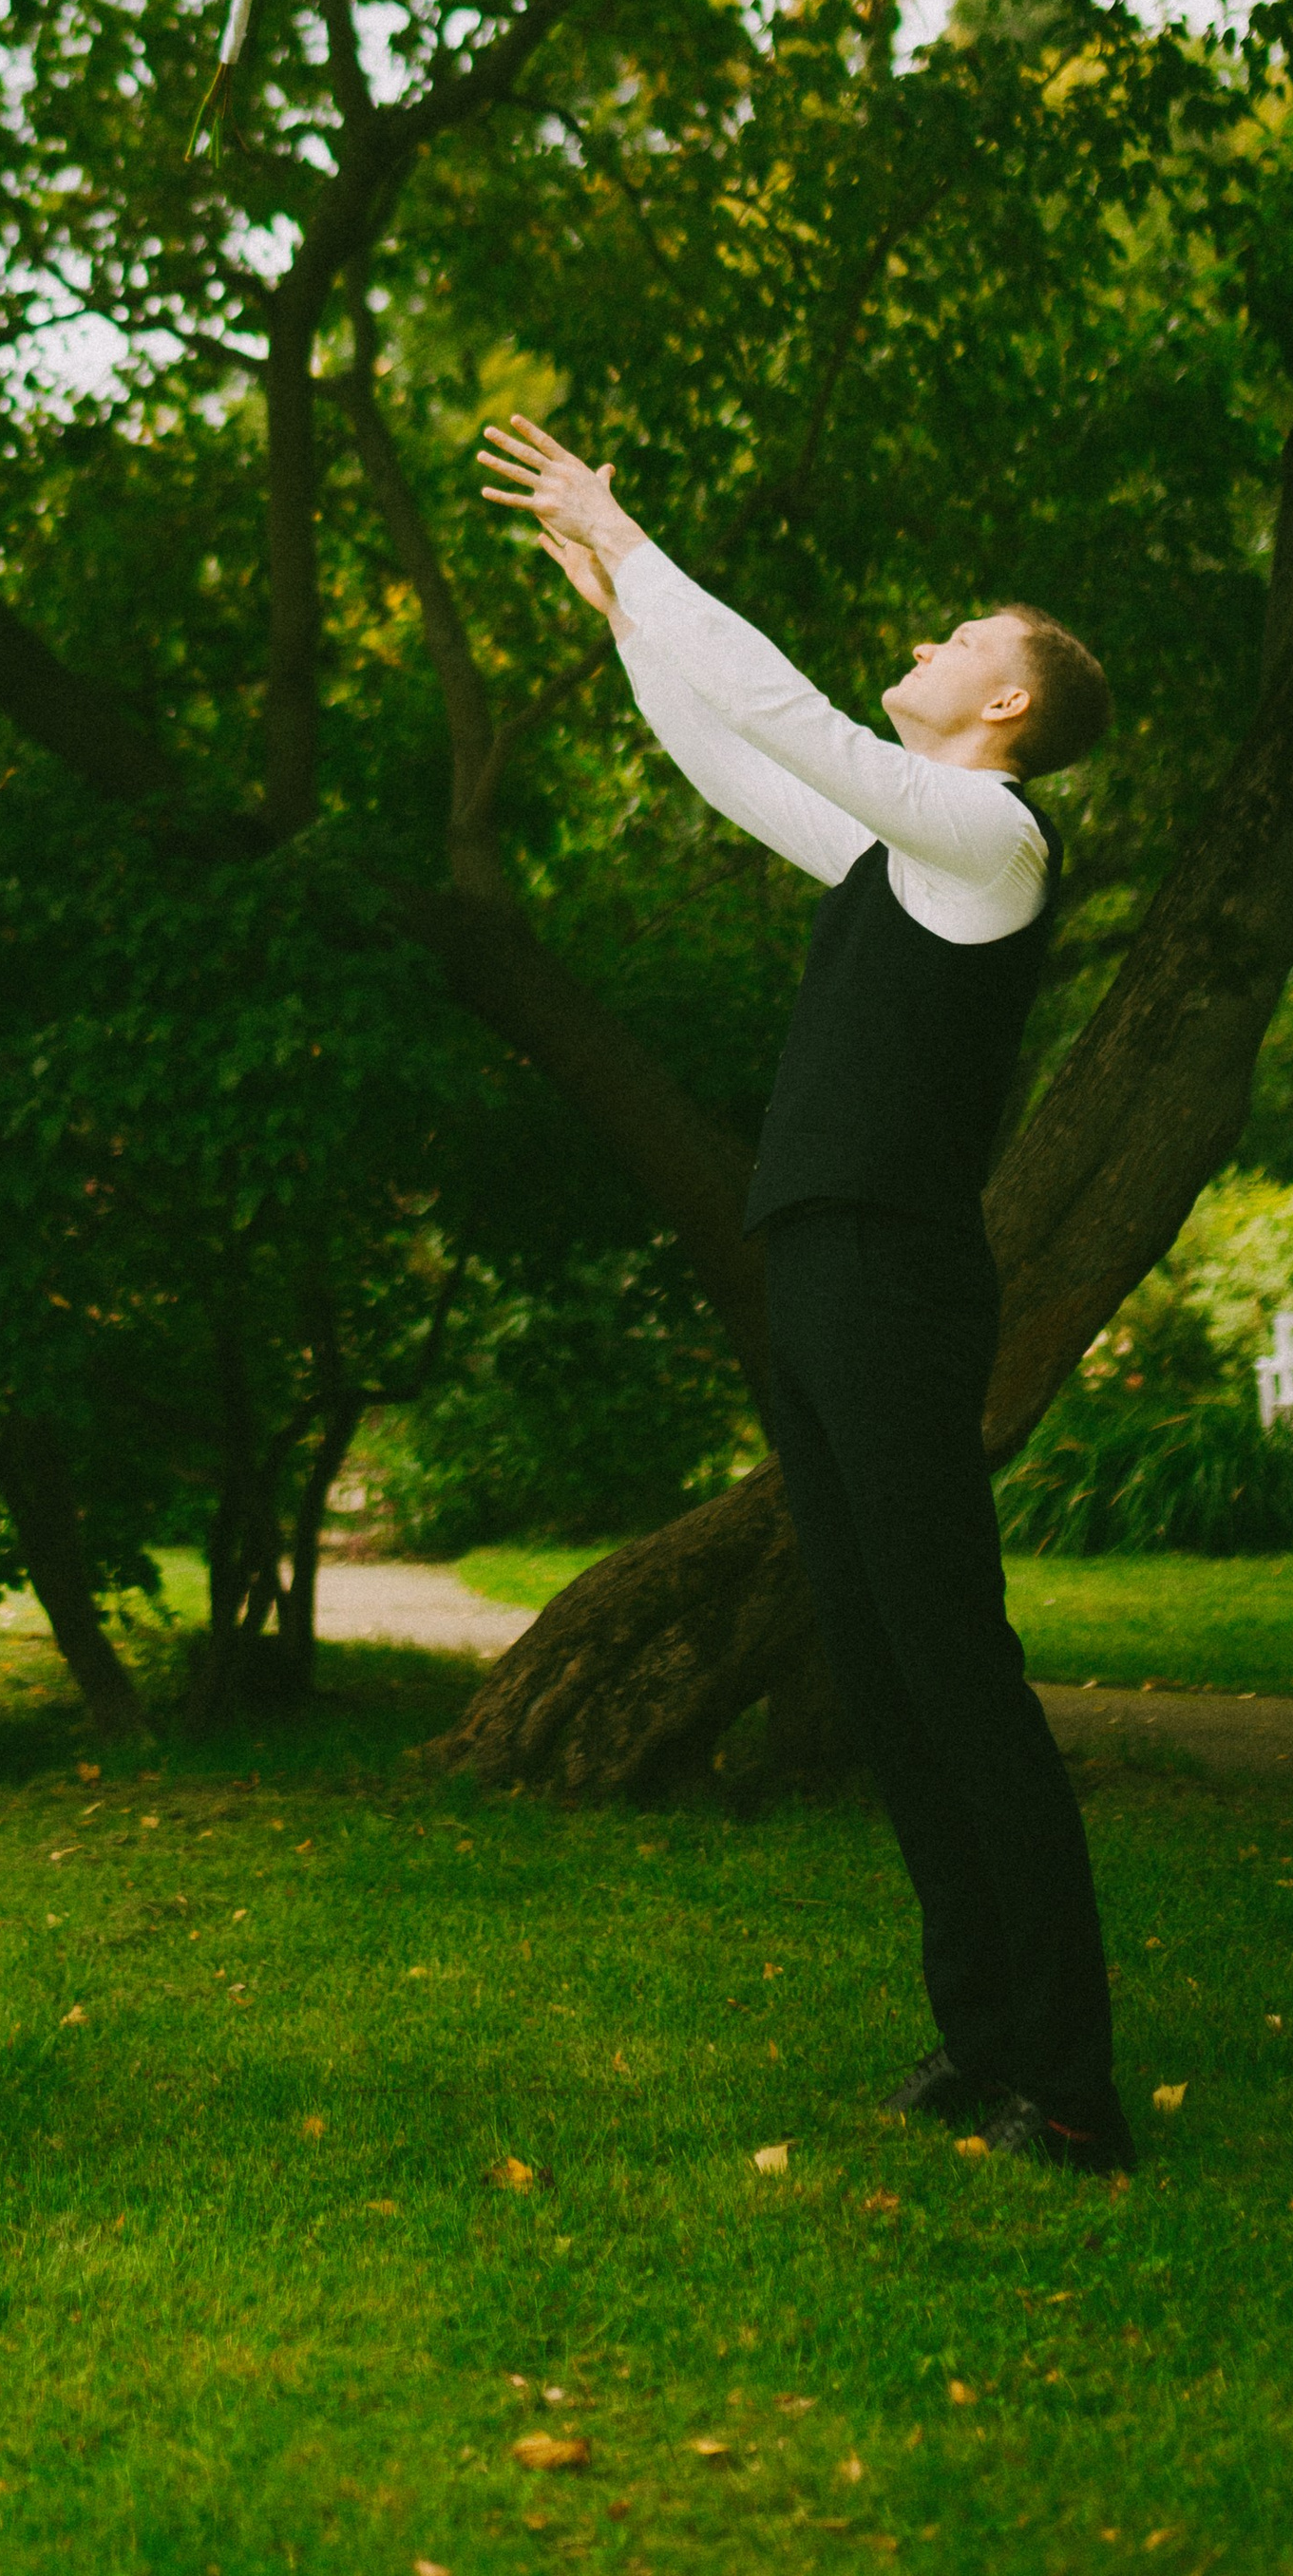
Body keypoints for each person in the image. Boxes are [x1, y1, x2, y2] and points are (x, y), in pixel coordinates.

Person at [480, 415, 1133, 2175]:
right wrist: (626, 610)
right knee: (882, 1656)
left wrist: (638, 530)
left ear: (1002, 710)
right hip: (825, 1270)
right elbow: (740, 760)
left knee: (954, 1663)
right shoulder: (898, 857)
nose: (922, 655)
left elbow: (792, 715)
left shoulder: (990, 843)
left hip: (900, 1282)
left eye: (955, 649)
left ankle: (1069, 2082)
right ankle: (981, 2034)